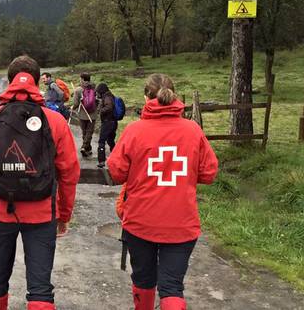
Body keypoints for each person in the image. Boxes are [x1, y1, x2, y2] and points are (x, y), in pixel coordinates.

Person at [0, 55, 80, 310]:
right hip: (42, 214)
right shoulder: (54, 121)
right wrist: (63, 215)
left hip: (0, 213)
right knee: (40, 287)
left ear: (10, 81)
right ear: (37, 81)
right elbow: (69, 173)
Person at [107, 74, 218, 310]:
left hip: (140, 221)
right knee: (172, 287)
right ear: (174, 96)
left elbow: (115, 172)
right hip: (181, 223)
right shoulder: (193, 131)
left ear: (146, 97)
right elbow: (209, 173)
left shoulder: (135, 131)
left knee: (144, 280)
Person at [71, 72, 98, 157]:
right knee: (89, 132)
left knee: (84, 132)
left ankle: (84, 147)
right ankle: (87, 148)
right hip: (92, 114)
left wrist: (73, 107)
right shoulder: (95, 88)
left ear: (82, 79)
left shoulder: (78, 90)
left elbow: (75, 103)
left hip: (82, 114)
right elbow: (98, 100)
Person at [96, 82, 117, 168]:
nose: (97, 93)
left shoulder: (107, 97)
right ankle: (116, 156)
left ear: (101, 91)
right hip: (113, 122)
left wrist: (101, 110)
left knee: (101, 141)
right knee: (110, 141)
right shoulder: (110, 95)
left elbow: (109, 107)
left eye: (98, 91)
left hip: (107, 122)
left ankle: (101, 161)